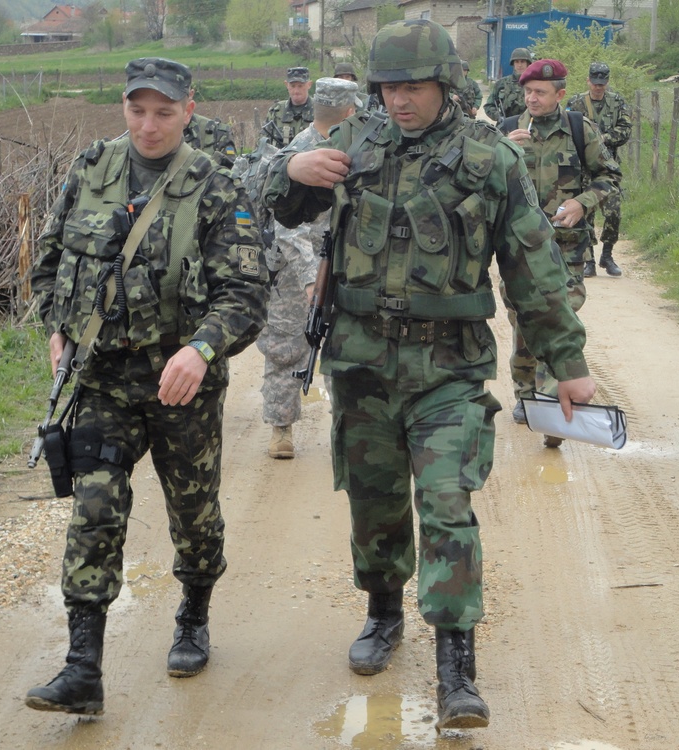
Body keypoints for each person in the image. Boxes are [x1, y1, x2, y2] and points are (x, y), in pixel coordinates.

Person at [262, 20, 596, 730]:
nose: (400, 100)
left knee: (447, 505)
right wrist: (290, 172)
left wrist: (568, 363)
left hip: (448, 367)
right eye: (388, 87)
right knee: (376, 504)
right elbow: (265, 192)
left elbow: (534, 266)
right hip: (361, 363)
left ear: (445, 85)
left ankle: (456, 663)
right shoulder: (353, 143)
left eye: (412, 87)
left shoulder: (490, 159)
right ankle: (383, 614)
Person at [25, 57, 270, 715]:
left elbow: (246, 292)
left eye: (164, 112)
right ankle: (83, 668)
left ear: (188, 110)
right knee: (95, 508)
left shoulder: (215, 188)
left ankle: (193, 609)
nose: (149, 125)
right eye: (138, 110)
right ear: (123, 106)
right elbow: (47, 263)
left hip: (179, 386)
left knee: (193, 514)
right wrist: (59, 325)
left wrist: (202, 348)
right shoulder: (92, 170)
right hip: (102, 379)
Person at [499, 59, 621, 439]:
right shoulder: (507, 129)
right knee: (523, 322)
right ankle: (525, 393)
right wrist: (500, 152)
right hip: (519, 252)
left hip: (567, 248)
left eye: (540, 93)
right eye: (528, 92)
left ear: (560, 95)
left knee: (561, 316)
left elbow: (609, 176)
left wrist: (583, 202)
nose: (532, 99)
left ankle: (552, 399)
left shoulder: (579, 130)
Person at [258, 77, 359, 459]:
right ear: (349, 112)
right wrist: (309, 280)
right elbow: (287, 226)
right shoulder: (298, 153)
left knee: (345, 347)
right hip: (295, 269)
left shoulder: (356, 148)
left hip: (344, 264)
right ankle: (280, 428)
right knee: (286, 349)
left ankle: (345, 429)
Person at [567, 62, 632, 278]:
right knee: (586, 215)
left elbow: (625, 130)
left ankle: (607, 254)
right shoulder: (576, 103)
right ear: (588, 81)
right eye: (595, 83)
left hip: (607, 168)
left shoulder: (617, 103)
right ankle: (590, 260)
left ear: (607, 83)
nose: (598, 88)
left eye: (602, 84)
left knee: (613, 212)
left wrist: (602, 139)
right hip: (583, 169)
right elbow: (566, 130)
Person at [261, 66, 314, 148]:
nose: (296, 91)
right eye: (293, 86)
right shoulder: (276, 111)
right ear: (286, 85)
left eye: (300, 86)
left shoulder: (320, 111)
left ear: (309, 85)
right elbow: (262, 143)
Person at [483, 47, 531, 122]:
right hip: (506, 125)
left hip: (528, 125)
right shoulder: (501, 83)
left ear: (528, 63)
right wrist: (498, 117)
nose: (519, 65)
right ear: (513, 64)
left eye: (522, 62)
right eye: (517, 62)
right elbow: (489, 106)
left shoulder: (534, 84)